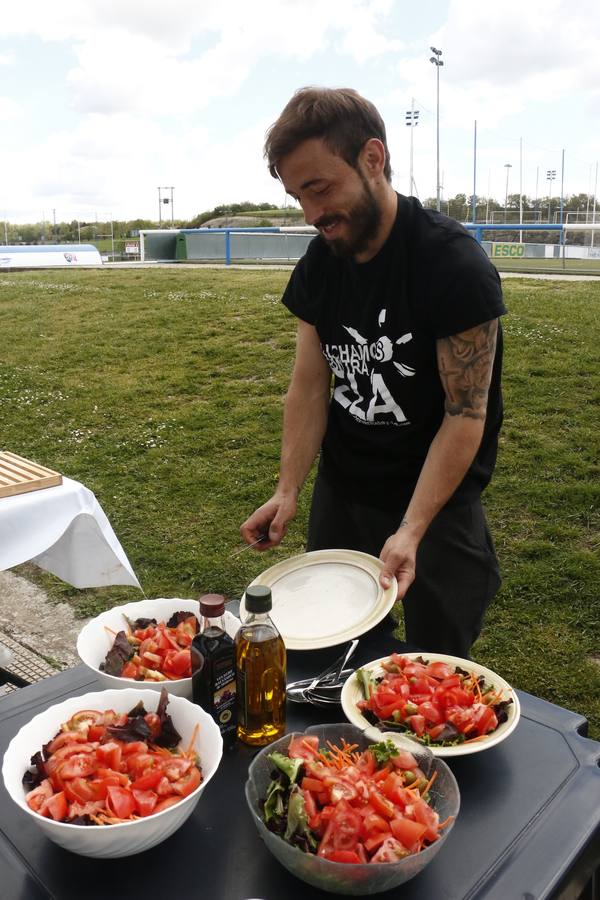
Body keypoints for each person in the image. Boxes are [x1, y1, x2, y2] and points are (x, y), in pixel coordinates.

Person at [240, 87, 506, 658]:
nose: (313, 216)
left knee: (434, 669)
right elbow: (310, 387)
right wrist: (289, 490)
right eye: (297, 197)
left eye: (320, 188)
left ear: (373, 159)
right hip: (346, 490)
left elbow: (466, 415)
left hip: (436, 504)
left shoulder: (452, 264)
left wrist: (411, 529)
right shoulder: (322, 263)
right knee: (332, 657)